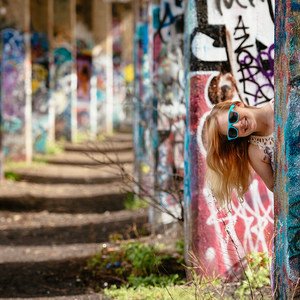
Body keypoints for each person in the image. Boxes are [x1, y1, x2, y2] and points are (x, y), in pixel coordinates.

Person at [205, 99, 275, 208]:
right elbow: (279, 189)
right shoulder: (255, 153)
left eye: (233, 117)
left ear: (238, 105)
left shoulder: (280, 98)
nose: (239, 125)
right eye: (232, 131)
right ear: (235, 137)